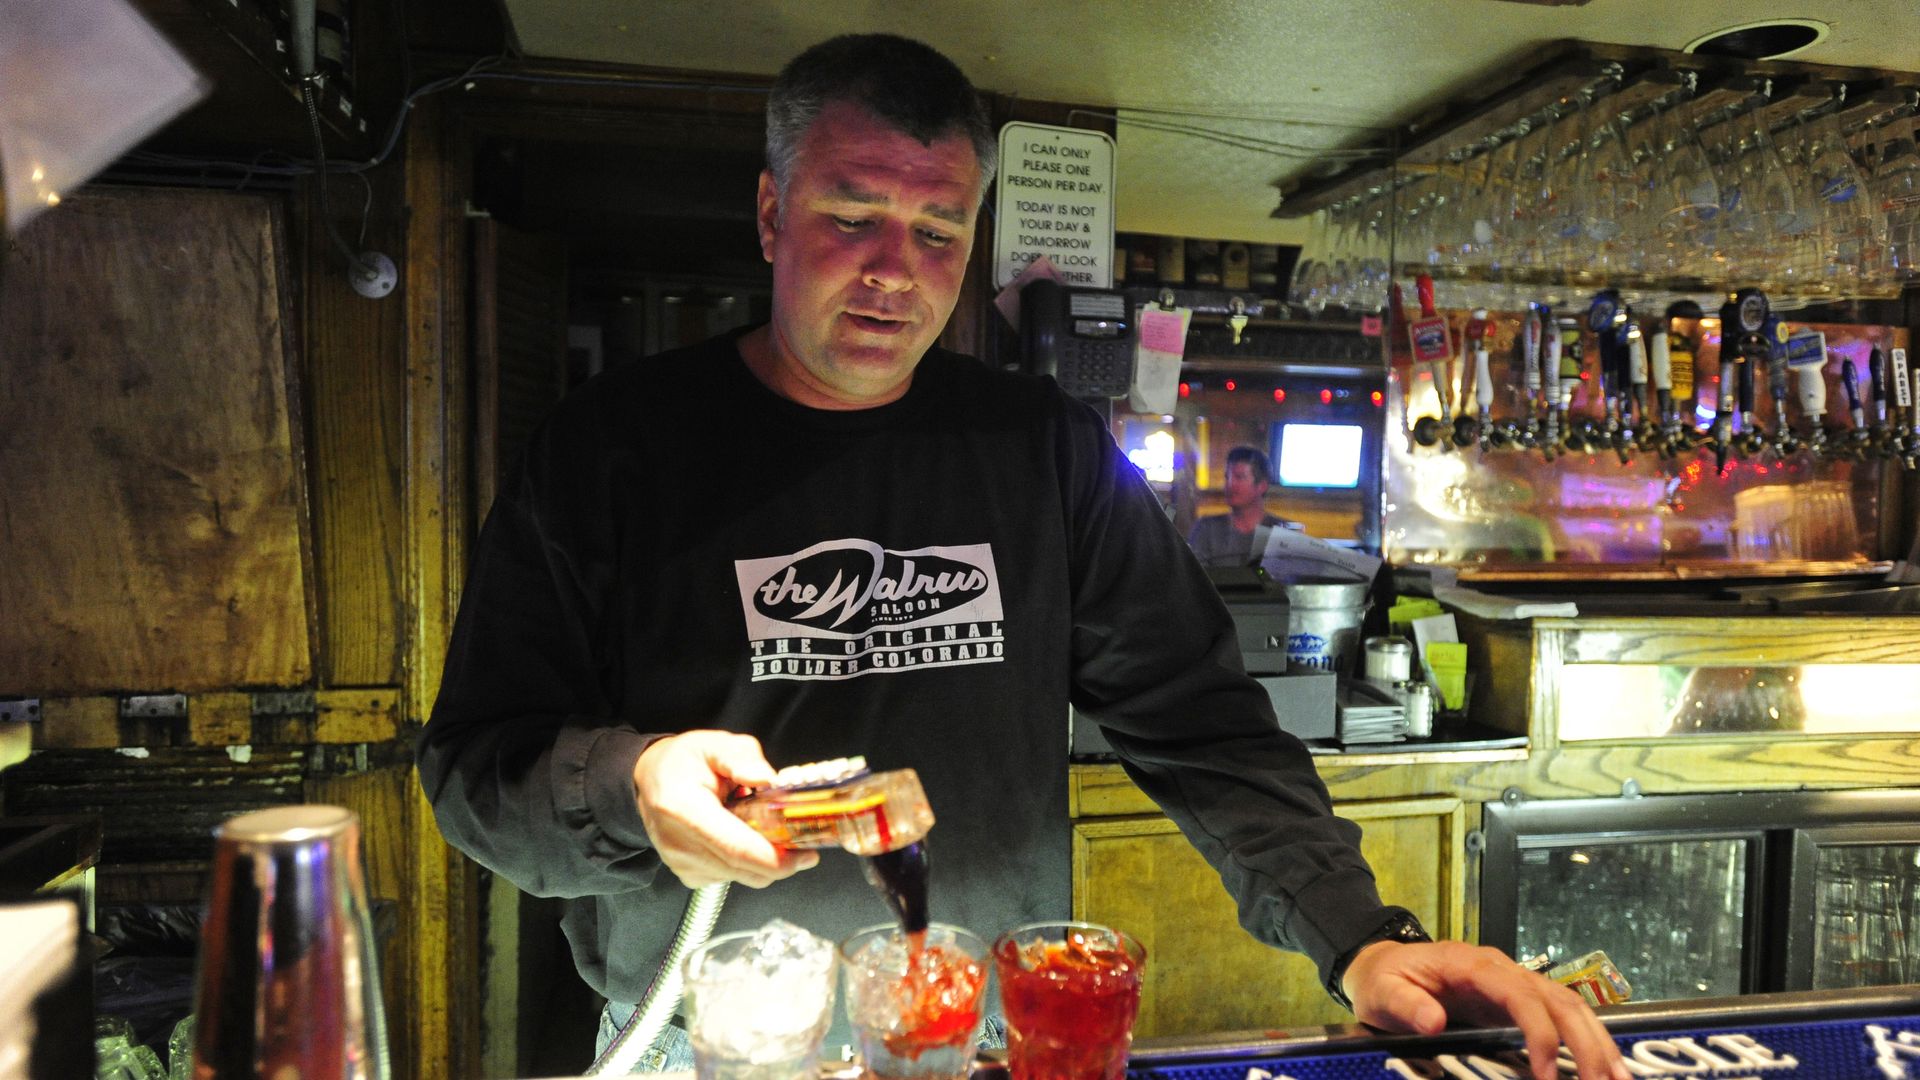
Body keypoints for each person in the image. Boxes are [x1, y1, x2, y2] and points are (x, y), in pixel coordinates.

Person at [417, 33, 1628, 1080]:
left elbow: (1199, 719)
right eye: (852, 216)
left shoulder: (1038, 450)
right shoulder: (612, 450)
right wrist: (632, 786)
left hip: (990, 1035)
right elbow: (475, 774)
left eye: (939, 228)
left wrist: (1360, 933)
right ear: (772, 213)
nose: (898, 268)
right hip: (717, 1039)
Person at [1186, 445, 1301, 568]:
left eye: (1239, 477)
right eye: (1227, 477)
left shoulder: (1284, 532)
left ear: (1262, 486)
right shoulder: (1206, 528)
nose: (1230, 484)